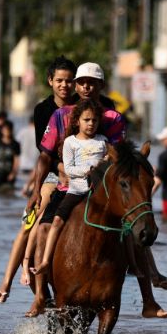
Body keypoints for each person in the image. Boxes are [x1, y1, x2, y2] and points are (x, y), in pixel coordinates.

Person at [23, 62, 167, 318]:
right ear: (76, 85)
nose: (86, 87)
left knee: (133, 228)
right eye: (82, 82)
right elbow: (46, 156)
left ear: (100, 86)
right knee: (42, 228)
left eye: (92, 83)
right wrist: (37, 191)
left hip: (104, 188)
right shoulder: (61, 115)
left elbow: (120, 155)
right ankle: (39, 294)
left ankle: (149, 299)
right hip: (68, 182)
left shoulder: (113, 116)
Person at [0, 55, 77, 305]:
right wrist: (37, 189)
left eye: (69, 81)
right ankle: (6, 283)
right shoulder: (43, 110)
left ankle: (147, 279)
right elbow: (45, 153)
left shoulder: (83, 106)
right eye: (60, 80)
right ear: (50, 81)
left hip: (81, 173)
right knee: (30, 223)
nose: (65, 85)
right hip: (53, 173)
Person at [31, 99, 108, 282]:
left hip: (97, 193)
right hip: (75, 191)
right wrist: (89, 170)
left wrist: (103, 166)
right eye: (87, 120)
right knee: (56, 221)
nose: (90, 124)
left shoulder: (103, 142)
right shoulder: (70, 143)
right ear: (77, 121)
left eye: (94, 121)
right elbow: (69, 169)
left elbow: (109, 165)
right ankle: (46, 261)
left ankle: (135, 266)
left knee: (123, 226)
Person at [0, 121, 20, 193]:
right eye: (5, 130)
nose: (7, 132)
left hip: (9, 172)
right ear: (2, 131)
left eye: (8, 129)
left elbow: (16, 160)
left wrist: (13, 173)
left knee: (10, 191)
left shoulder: (15, 144)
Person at [16, 115, 39, 197]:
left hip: (23, 163)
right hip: (35, 163)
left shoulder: (22, 131)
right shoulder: (40, 131)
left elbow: (16, 144)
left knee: (24, 184)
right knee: (34, 184)